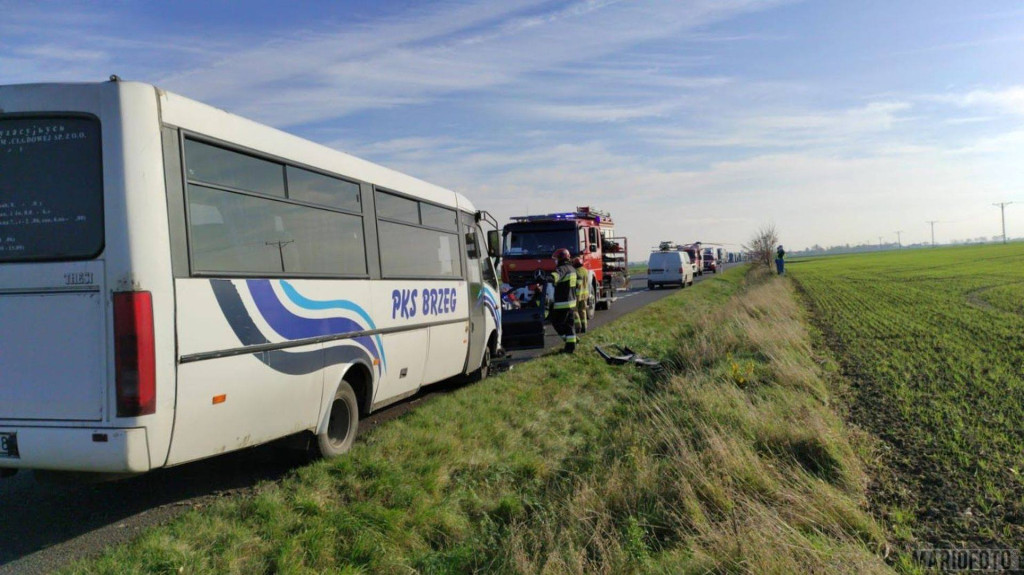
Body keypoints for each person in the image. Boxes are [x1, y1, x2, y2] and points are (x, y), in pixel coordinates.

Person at [549, 248, 578, 353]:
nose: (555, 261)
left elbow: (555, 276)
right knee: (569, 325)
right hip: (571, 302)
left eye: (556, 259)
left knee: (556, 322)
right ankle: (572, 344)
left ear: (561, 258)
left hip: (562, 303)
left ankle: (570, 343)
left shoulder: (562, 268)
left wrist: (547, 277)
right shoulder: (572, 268)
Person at [572, 256, 592, 334]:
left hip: (577, 295)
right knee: (583, 310)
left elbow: (576, 283)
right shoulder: (585, 271)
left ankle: (578, 327)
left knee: (574, 311)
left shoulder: (575, 271)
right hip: (585, 295)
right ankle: (584, 327)